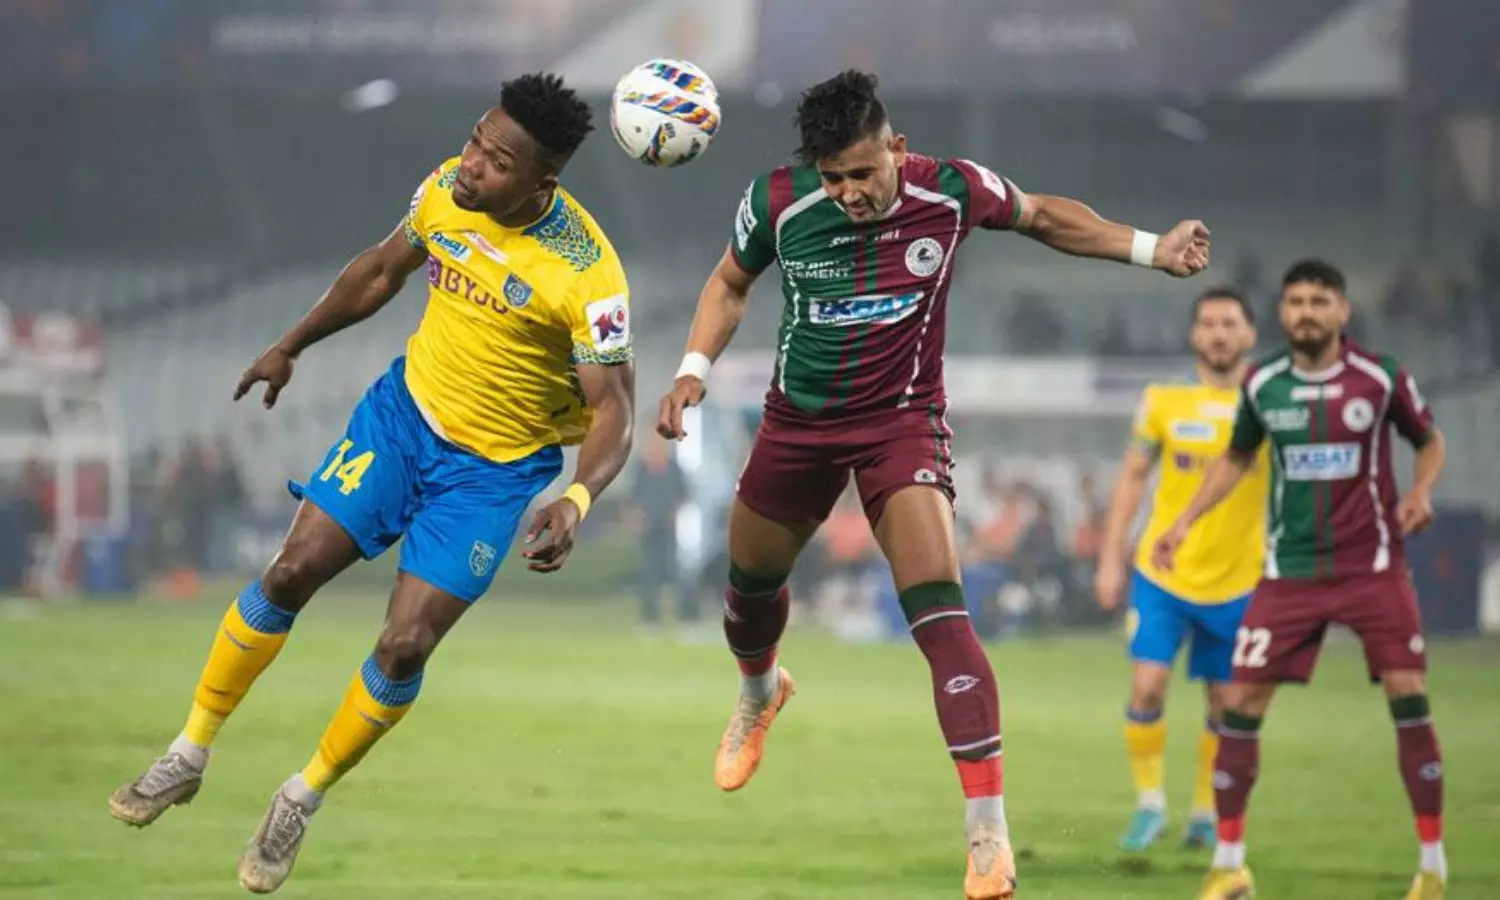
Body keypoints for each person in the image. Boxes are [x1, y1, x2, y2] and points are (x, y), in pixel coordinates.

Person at [655, 69, 1211, 900]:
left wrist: (1150, 248)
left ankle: (987, 833)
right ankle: (760, 691)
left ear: (897, 148)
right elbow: (729, 283)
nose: (848, 193)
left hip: (901, 425)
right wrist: (694, 370)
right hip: (798, 423)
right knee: (747, 592)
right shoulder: (777, 202)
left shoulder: (949, 190)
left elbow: (1043, 215)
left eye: (862, 172)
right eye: (833, 178)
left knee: (941, 614)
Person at [107, 73, 635, 894]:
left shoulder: (588, 274)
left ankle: (300, 796)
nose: (472, 164)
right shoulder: (445, 191)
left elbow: (615, 409)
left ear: (543, 184)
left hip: (492, 474)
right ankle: (188, 751)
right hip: (401, 422)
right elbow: (382, 271)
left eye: (498, 162)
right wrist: (291, 344)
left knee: (405, 643)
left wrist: (577, 497)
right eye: (475, 141)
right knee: (289, 571)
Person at [1153, 260, 1448, 900]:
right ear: (1282, 313)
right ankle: (1229, 866)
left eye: (1319, 301)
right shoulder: (1264, 384)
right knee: (1238, 703)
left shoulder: (1380, 377)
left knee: (1408, 694)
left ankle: (1433, 867)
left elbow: (1429, 441)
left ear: (1342, 310)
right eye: (1295, 303)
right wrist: (1183, 523)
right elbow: (1236, 456)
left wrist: (1422, 491)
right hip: (1290, 573)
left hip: (1372, 568)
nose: (1306, 313)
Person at [1094, 287, 1265, 853]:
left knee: (1225, 703)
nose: (1218, 333)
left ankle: (1204, 812)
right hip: (1161, 575)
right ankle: (1149, 804)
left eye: (1230, 323)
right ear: (1194, 335)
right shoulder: (1162, 401)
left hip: (1238, 579)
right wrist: (1111, 558)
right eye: (1209, 323)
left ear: (1250, 334)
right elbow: (1132, 480)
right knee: (1147, 686)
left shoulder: (1269, 403)